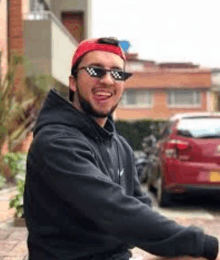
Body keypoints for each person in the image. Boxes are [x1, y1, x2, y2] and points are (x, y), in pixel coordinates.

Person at [24, 37, 219, 260]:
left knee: (190, 255)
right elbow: (113, 208)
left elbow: (139, 208)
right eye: (95, 70)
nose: (107, 80)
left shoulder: (119, 145)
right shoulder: (56, 142)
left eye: (117, 73)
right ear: (73, 82)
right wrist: (202, 243)